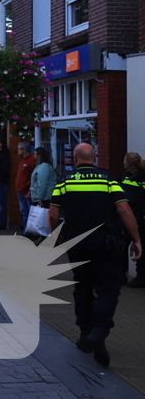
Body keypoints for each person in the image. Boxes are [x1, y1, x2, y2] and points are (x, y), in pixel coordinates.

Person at [49, 143, 142, 367]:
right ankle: (99, 330)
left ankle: (84, 334)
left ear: (76, 159)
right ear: (95, 157)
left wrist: (57, 236)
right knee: (109, 288)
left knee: (82, 286)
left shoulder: (64, 181)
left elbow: (53, 214)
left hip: (76, 242)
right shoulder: (109, 180)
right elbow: (124, 209)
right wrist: (137, 239)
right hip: (105, 242)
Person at [120, 152, 145, 288]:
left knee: (139, 245)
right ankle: (121, 274)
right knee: (121, 245)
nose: (123, 162)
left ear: (129, 163)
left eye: (124, 159)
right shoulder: (127, 175)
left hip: (138, 217)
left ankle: (141, 276)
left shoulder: (141, 177)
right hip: (127, 215)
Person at [15, 141, 36, 231]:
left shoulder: (31, 161)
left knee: (28, 211)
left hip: (27, 190)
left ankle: (28, 230)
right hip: (20, 189)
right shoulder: (22, 160)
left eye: (19, 149)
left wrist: (28, 186)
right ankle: (25, 228)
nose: (18, 151)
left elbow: (33, 176)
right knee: (23, 211)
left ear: (24, 150)